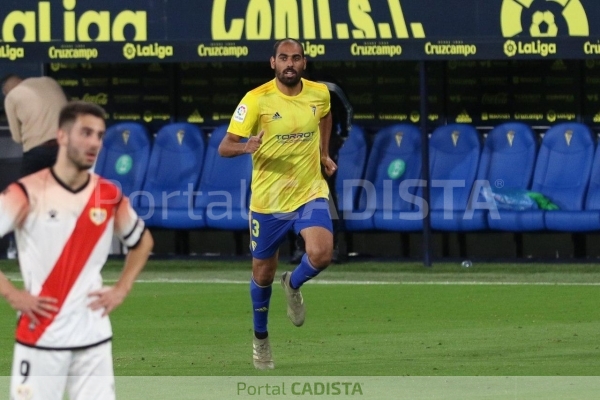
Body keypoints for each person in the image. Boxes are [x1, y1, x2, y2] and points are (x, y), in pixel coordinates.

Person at [0, 101, 154, 400]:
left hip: (93, 337)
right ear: (61, 136)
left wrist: (122, 288)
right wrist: (12, 294)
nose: (94, 142)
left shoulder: (108, 194)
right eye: (86, 133)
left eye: (99, 135)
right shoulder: (25, 192)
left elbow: (142, 241)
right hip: (41, 336)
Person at [218, 38, 337, 370]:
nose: (290, 63)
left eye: (295, 58)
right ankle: (260, 339)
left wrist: (323, 153)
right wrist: (247, 147)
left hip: (308, 192)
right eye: (283, 58)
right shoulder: (256, 100)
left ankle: (294, 283)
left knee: (322, 253)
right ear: (273, 63)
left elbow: (326, 115)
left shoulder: (319, 93)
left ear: (304, 62)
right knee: (262, 274)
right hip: (268, 200)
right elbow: (225, 146)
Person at [1, 74, 68, 177]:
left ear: (6, 90)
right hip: (66, 146)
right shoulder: (50, 81)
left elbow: (17, 138)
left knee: (25, 189)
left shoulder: (11, 96)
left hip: (38, 150)